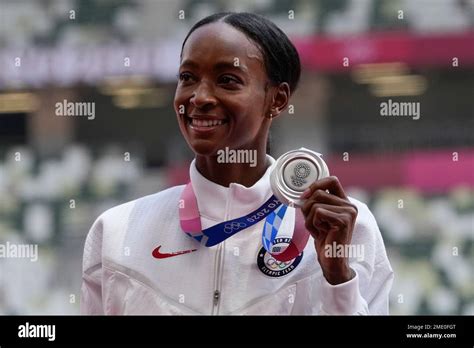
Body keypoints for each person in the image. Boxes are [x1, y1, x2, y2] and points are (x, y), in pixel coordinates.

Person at [81, 12, 393, 315]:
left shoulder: (345, 227)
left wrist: (337, 278)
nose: (199, 97)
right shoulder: (116, 232)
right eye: (187, 77)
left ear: (277, 99)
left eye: (227, 80)